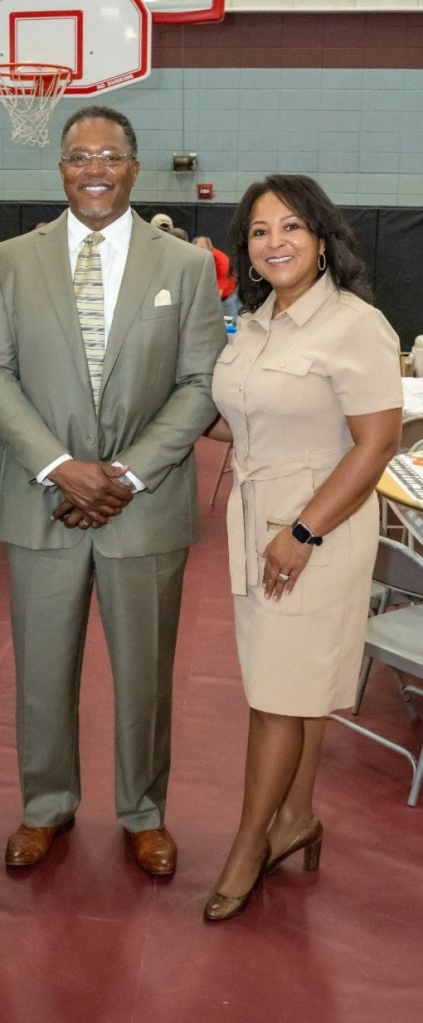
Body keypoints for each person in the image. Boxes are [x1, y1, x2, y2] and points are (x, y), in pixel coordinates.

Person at [0, 105, 226, 875]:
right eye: (78, 155)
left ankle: (143, 811)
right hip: (42, 501)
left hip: (143, 506)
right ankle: (45, 805)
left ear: (133, 168)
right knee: (41, 674)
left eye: (108, 155)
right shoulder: (10, 260)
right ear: (60, 169)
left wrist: (127, 473)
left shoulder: (183, 267)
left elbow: (200, 382)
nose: (93, 169)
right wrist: (59, 465)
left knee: (144, 677)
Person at [204, 174, 403, 921]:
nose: (274, 241)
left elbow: (376, 442)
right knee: (292, 687)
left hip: (315, 533)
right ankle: (295, 817)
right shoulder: (257, 322)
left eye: (291, 226)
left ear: (322, 238)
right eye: (259, 231)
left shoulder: (353, 324)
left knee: (274, 700)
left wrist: (303, 531)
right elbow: (241, 419)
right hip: (259, 525)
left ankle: (249, 845)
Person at [193, 235, 239, 320]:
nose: (199, 253)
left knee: (230, 325)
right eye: (196, 249)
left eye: (202, 249)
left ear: (211, 249)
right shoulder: (193, 258)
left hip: (226, 298)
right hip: (209, 296)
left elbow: (218, 293)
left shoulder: (221, 261)